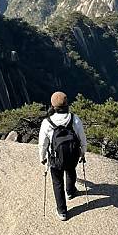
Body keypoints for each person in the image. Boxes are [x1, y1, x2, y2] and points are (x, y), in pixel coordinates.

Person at [39, 91, 87, 221]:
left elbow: (43, 144)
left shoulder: (47, 122)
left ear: (52, 105)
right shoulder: (74, 119)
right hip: (72, 156)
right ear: (67, 104)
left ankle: (62, 211)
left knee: (57, 182)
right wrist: (82, 153)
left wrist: (42, 157)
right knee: (71, 171)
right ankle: (71, 192)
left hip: (55, 159)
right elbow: (82, 139)